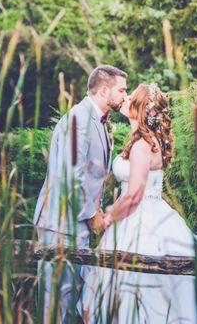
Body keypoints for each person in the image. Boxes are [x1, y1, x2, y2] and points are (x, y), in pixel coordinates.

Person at [79, 83, 197, 323]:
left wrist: (107, 218)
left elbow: (134, 195)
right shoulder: (151, 142)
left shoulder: (141, 146)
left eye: (131, 97)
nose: (125, 98)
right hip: (156, 215)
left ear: (140, 108)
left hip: (139, 222)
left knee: (137, 290)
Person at [33, 65, 127, 323]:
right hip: (61, 226)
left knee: (73, 304)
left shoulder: (98, 121)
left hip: (76, 227)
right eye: (122, 90)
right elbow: (72, 176)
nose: (125, 96)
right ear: (104, 89)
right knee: (56, 307)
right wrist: (92, 216)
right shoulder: (79, 119)